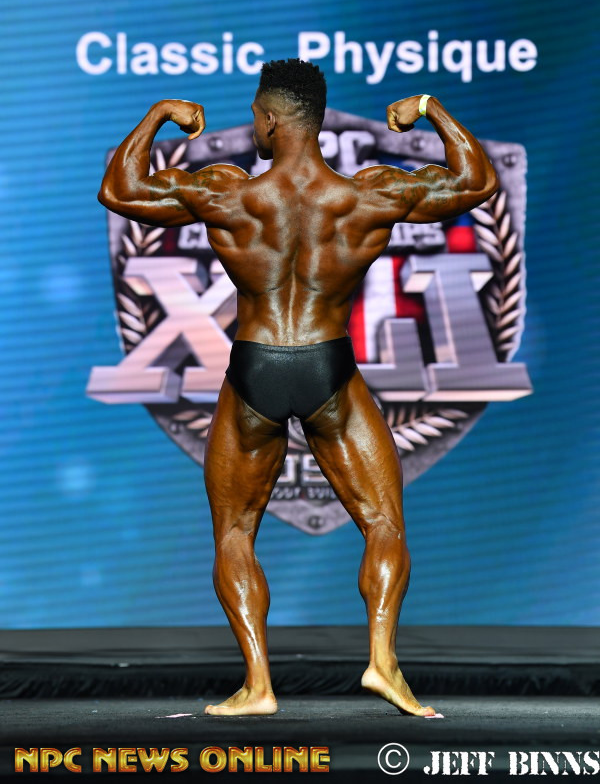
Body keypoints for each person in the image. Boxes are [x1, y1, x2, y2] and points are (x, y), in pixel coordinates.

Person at [98, 58, 499, 718]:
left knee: (235, 531)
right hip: (326, 366)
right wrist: (429, 106)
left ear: (271, 120)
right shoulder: (366, 195)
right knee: (382, 522)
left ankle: (258, 684)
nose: (253, 127)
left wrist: (160, 115)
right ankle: (382, 662)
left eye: (255, 117)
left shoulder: (228, 192)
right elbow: (477, 182)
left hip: (254, 366)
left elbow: (121, 191)